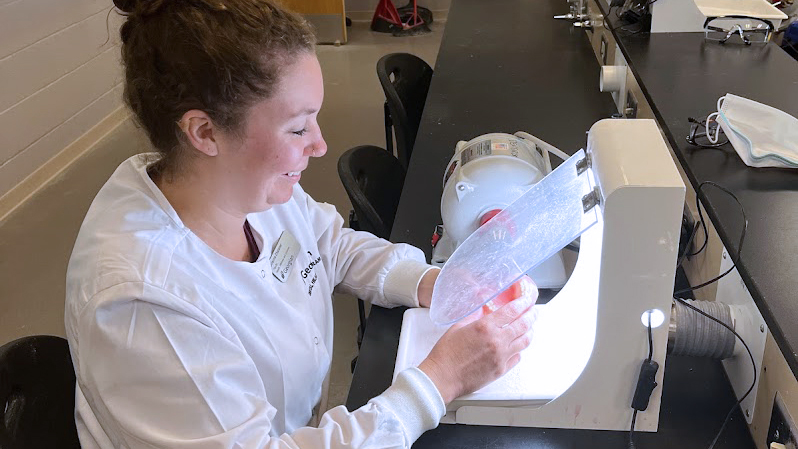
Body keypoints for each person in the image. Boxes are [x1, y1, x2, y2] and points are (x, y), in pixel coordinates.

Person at [64, 1, 539, 448]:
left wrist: (431, 282)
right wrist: (440, 380)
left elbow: (329, 245)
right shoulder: (143, 301)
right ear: (204, 132)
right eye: (297, 127)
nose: (319, 144)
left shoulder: (240, 184)